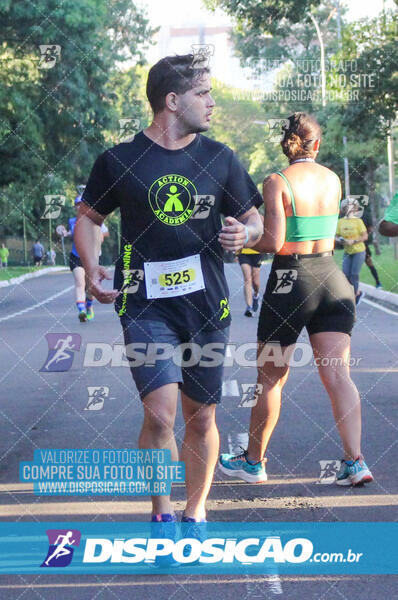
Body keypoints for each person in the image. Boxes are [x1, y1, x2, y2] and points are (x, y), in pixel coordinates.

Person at [74, 54, 263, 525]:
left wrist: (247, 234)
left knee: (201, 418)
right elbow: (88, 217)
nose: (212, 103)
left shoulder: (220, 158)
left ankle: (195, 513)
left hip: (206, 306)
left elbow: (255, 218)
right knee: (160, 414)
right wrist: (93, 266)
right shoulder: (119, 160)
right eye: (203, 94)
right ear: (172, 101)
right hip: (143, 306)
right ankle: (161, 514)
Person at [219, 112, 373, 487]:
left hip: (291, 281)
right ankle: (355, 462)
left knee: (270, 379)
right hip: (332, 279)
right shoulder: (333, 179)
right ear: (315, 145)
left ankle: (253, 463)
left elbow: (273, 242)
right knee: (339, 376)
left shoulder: (277, 181)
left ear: (286, 144)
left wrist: (245, 236)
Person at [62, 193, 109, 322]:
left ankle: (89, 306)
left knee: (89, 288)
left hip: (91, 258)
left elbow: (105, 232)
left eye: (81, 204)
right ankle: (81, 310)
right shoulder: (72, 221)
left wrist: (98, 236)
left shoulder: (95, 219)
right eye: (77, 204)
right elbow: (70, 233)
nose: (79, 207)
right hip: (76, 256)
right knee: (79, 282)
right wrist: (62, 232)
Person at [336, 198, 368, 305]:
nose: (350, 206)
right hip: (347, 252)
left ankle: (353, 298)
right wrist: (341, 240)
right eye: (348, 205)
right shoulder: (340, 222)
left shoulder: (358, 221)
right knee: (345, 275)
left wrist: (353, 241)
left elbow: (365, 236)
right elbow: (336, 236)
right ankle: (356, 294)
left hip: (359, 251)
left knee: (354, 274)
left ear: (355, 208)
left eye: (352, 205)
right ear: (344, 207)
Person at [238, 246, 264, 317]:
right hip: (243, 253)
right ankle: (249, 307)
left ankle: (256, 295)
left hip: (257, 252)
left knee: (255, 282)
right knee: (247, 279)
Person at [361, 211, 382, 289]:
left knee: (369, 263)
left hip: (363, 245)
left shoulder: (365, 215)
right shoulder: (350, 216)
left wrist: (365, 235)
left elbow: (371, 228)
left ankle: (378, 282)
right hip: (352, 246)